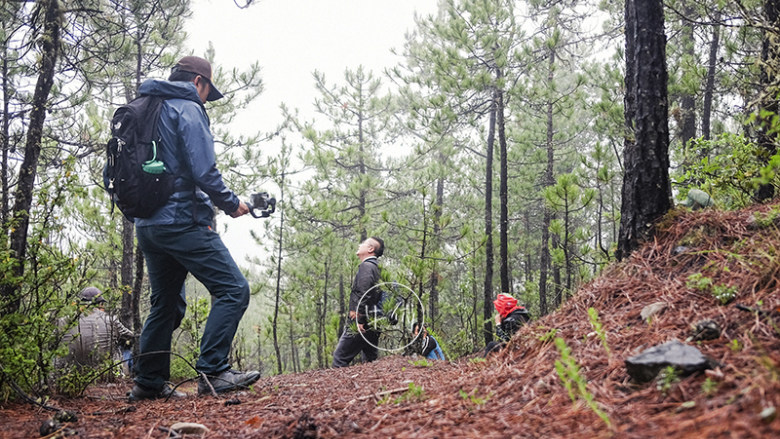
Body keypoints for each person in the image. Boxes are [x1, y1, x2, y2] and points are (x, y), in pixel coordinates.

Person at [128, 56, 260, 401]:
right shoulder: (186, 107)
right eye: (206, 91)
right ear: (198, 81)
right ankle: (214, 372)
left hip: (147, 226)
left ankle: (148, 384)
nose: (205, 99)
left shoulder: (144, 107)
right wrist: (233, 204)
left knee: (166, 304)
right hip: (182, 221)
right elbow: (204, 170)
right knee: (233, 290)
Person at [332, 237, 385, 367]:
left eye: (363, 243)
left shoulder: (367, 266)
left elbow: (364, 293)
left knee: (340, 359)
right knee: (370, 360)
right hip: (373, 321)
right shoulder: (377, 268)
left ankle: (338, 387)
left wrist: (359, 319)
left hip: (361, 321)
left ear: (370, 249)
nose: (360, 245)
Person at [62, 287, 134, 372]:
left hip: (70, 373)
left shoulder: (64, 321)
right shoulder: (111, 320)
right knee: (123, 349)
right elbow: (131, 337)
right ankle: (122, 376)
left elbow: (51, 346)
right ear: (100, 304)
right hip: (104, 371)